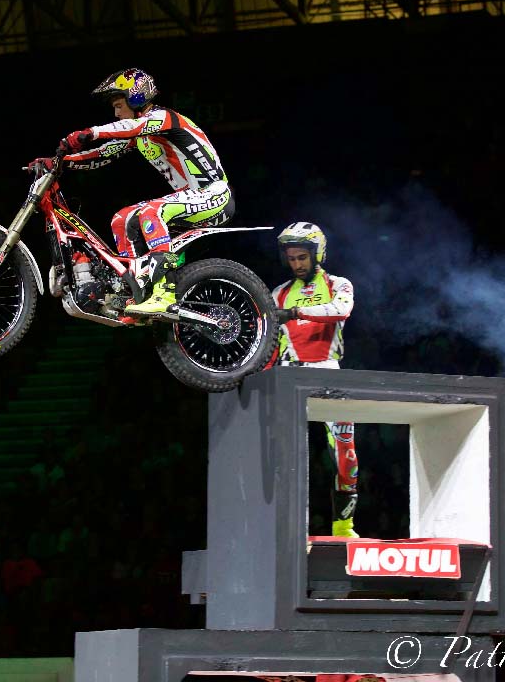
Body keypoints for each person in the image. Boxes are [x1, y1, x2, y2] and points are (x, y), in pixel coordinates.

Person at [37, 68, 233, 317]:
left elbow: (129, 128)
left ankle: (165, 293)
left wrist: (91, 133)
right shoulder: (139, 133)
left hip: (215, 194)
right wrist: (58, 162)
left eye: (119, 105)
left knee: (152, 211)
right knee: (123, 218)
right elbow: (102, 154)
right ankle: (135, 291)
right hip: (191, 199)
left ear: (136, 97)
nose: (116, 113)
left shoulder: (165, 118)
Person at [271, 222, 360, 537]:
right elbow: (270, 342)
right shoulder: (279, 292)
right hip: (289, 371)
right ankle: (287, 527)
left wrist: (296, 313)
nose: (296, 264)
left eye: (302, 257)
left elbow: (341, 310)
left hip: (327, 369)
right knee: (287, 451)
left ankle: (344, 525)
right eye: (291, 258)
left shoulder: (339, 284)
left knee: (344, 450)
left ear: (317, 252)